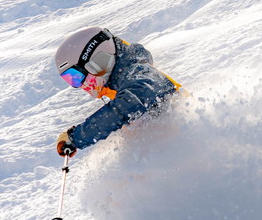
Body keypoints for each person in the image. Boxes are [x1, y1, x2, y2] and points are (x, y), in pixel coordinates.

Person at [53, 26, 179, 156]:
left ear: (97, 60)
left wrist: (77, 137)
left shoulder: (139, 72)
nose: (79, 85)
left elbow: (126, 105)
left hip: (181, 149)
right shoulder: (119, 82)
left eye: (76, 76)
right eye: (71, 80)